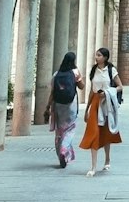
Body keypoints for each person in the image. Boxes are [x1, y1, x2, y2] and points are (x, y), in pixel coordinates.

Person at [79, 46, 122, 176]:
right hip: (96, 103)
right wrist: (87, 109)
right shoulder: (93, 70)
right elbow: (92, 91)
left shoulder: (111, 70)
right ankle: (93, 167)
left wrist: (108, 92)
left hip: (107, 103)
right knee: (94, 133)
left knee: (106, 133)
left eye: (99, 55)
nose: (96, 57)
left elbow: (120, 86)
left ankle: (107, 159)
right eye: (96, 55)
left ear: (105, 57)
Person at [43, 51, 84, 169]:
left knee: (59, 130)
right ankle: (64, 149)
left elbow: (52, 93)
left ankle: (61, 155)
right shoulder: (75, 72)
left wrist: (47, 107)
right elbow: (82, 86)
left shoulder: (56, 74)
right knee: (70, 129)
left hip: (58, 105)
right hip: (70, 106)